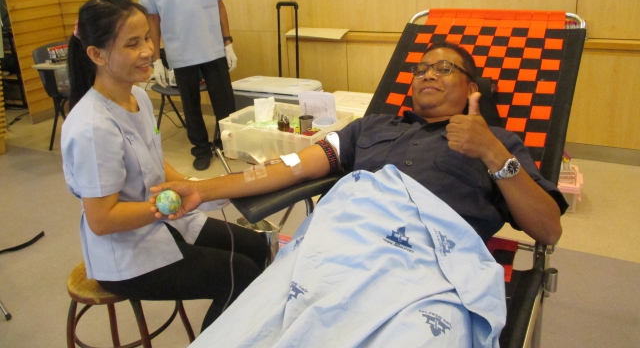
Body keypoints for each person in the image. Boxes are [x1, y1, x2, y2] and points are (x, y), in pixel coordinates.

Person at [151, 41, 567, 245]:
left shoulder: (499, 145)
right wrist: (201, 189)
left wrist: (492, 153)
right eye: (421, 69)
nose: (427, 74)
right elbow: (292, 167)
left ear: (472, 88)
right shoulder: (369, 128)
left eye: (444, 68)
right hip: (343, 246)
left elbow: (548, 230)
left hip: (426, 264)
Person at [61, 0, 269, 333]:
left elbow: (154, 164)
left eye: (147, 38)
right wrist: (171, 204)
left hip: (159, 223)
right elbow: (102, 219)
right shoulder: (93, 128)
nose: (148, 51)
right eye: (132, 44)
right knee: (240, 274)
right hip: (126, 255)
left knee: (257, 247)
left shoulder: (138, 97)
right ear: (97, 54)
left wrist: (195, 188)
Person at [139, 0, 237, 171]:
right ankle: (201, 149)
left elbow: (219, 4)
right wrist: (156, 58)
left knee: (225, 104)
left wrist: (228, 42)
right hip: (180, 51)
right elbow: (152, 17)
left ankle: (226, 145)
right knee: (191, 107)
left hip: (213, 47)